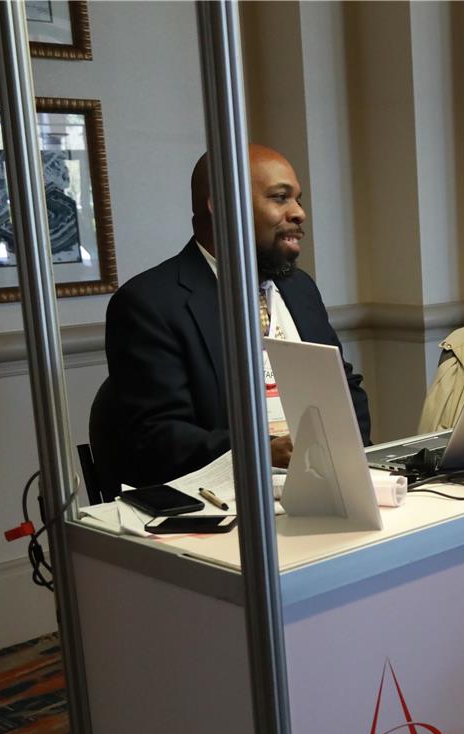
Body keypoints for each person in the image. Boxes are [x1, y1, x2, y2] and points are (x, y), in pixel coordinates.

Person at [100, 145, 371, 488]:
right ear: (225, 205)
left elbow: (345, 390)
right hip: (226, 500)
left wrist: (352, 462)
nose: (299, 213)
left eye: (297, 200)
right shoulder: (148, 303)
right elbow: (157, 438)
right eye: (280, 198)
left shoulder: (300, 288)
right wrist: (260, 454)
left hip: (329, 485)